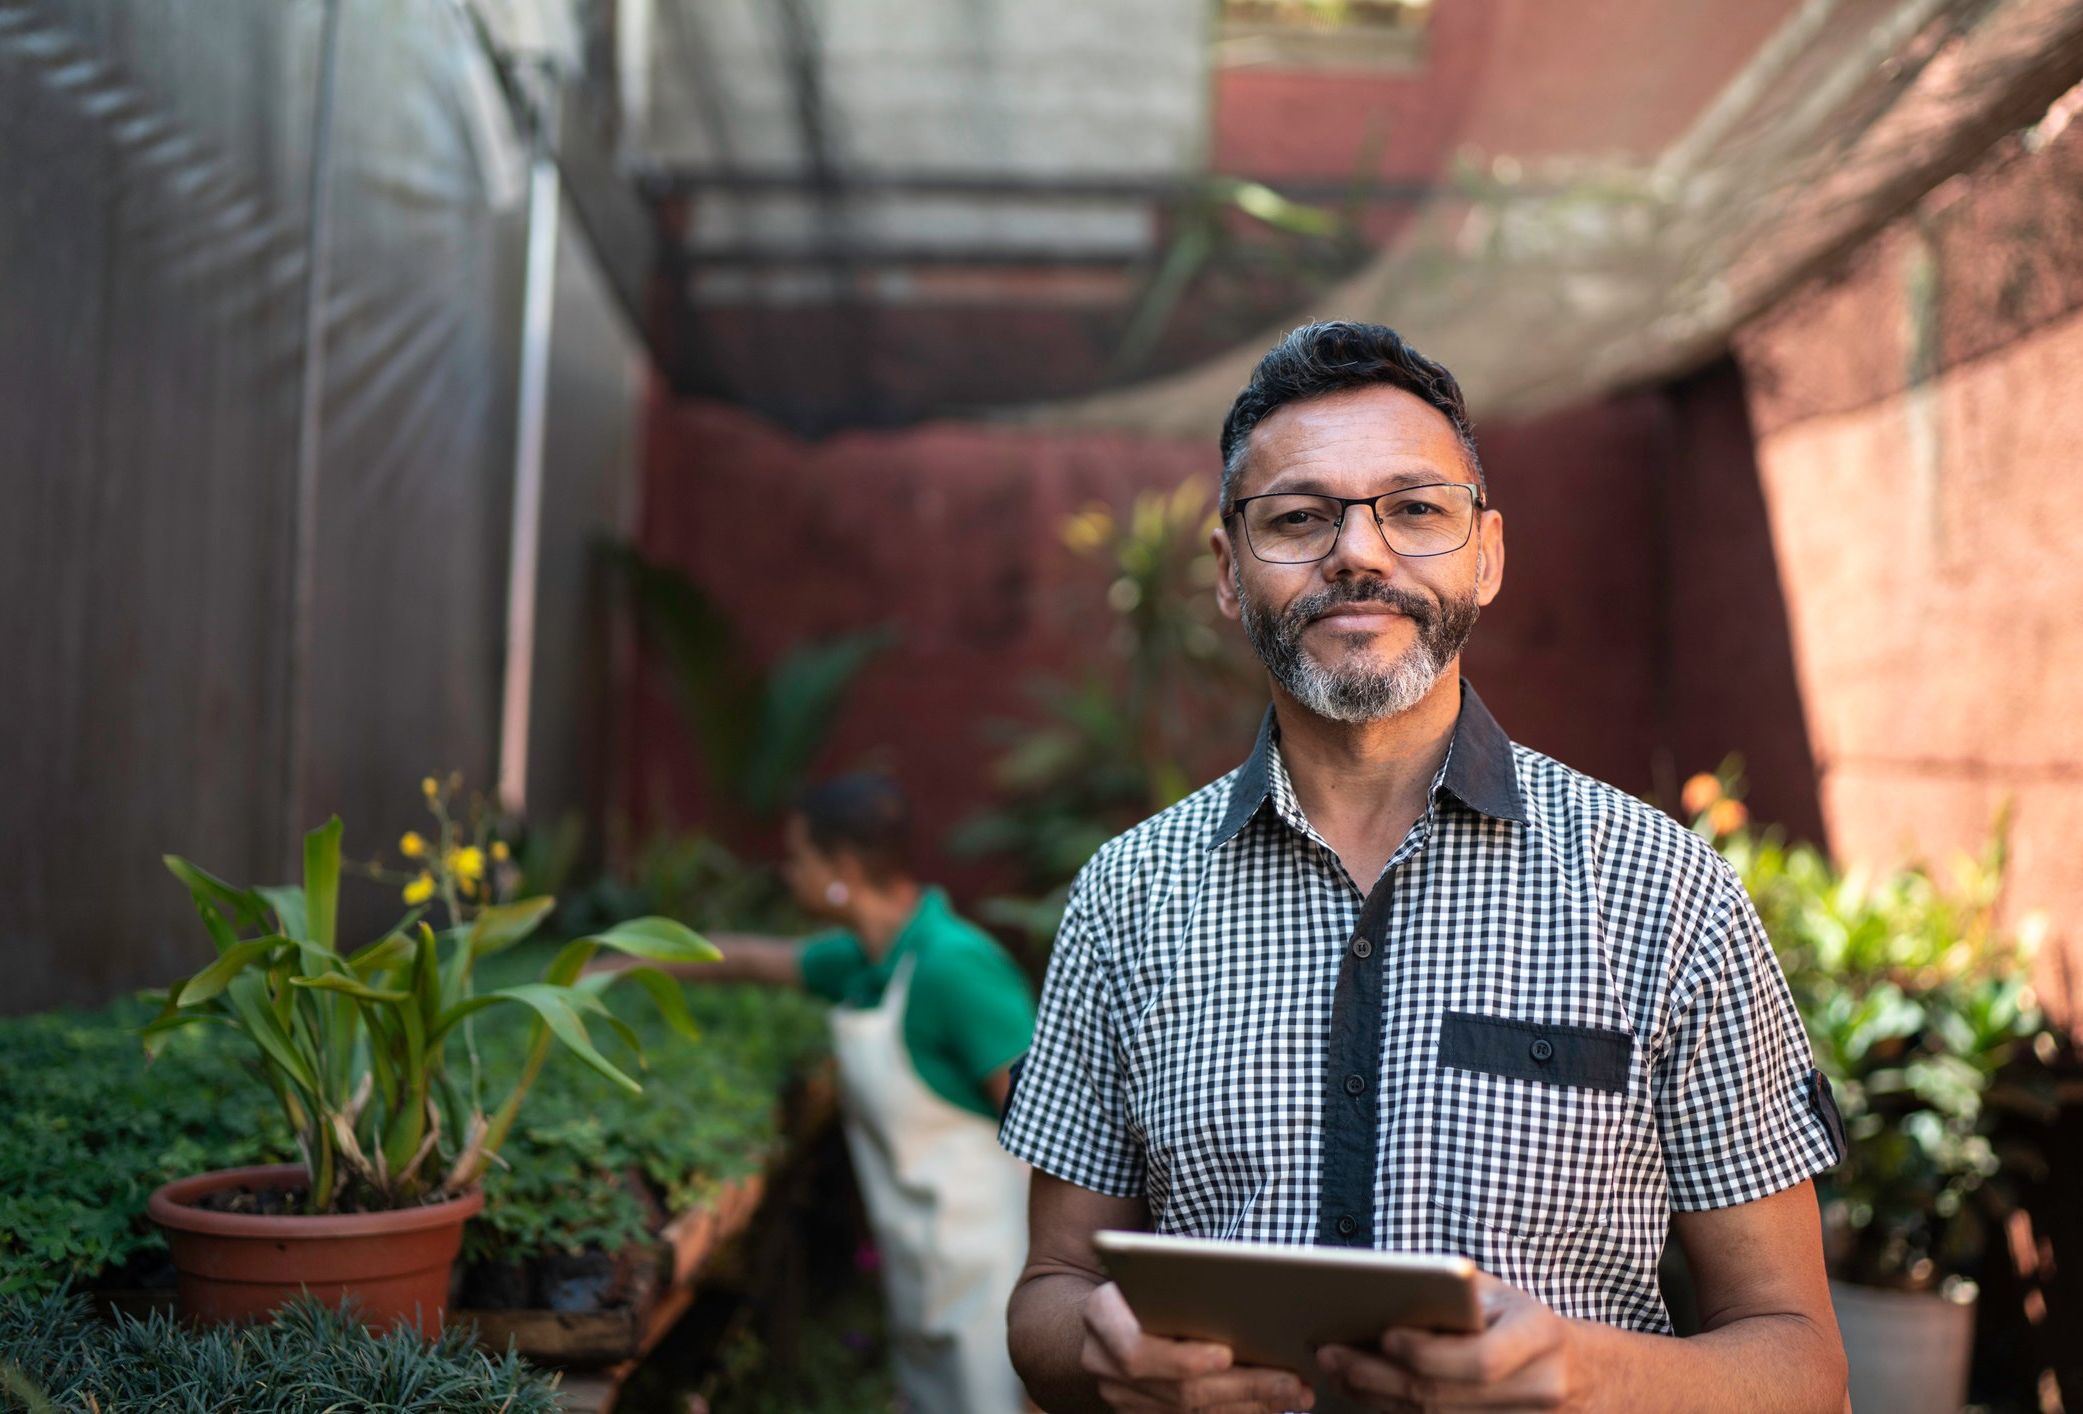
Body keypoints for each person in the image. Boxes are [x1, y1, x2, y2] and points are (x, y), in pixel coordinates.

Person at [998, 322, 1849, 1413]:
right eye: (1298, 517)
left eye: (1412, 509)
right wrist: (1101, 1353)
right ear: (1225, 569)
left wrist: (1581, 1371)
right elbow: (1048, 1294)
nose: (1357, 552)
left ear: (1484, 554)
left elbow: (1801, 1362)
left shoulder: (1662, 891)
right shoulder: (1127, 898)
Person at [594, 773, 1038, 1413]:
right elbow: (744, 958)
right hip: (926, 1265)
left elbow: (1052, 1132)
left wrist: (1055, 1307)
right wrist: (614, 962)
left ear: (844, 868)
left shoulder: (955, 966)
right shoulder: (863, 958)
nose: (786, 872)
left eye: (798, 857)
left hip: (997, 1274)